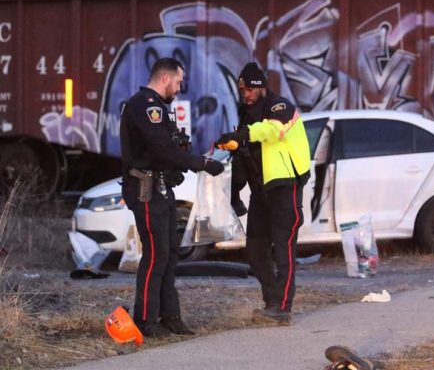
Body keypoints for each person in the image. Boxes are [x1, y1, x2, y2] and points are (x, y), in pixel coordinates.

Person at [120, 57, 224, 337]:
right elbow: (162, 150)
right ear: (165, 78)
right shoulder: (145, 106)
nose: (180, 87)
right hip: (146, 191)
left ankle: (170, 317)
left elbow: (167, 151)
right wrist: (200, 163)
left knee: (169, 254)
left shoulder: (159, 109)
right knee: (155, 256)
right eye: (178, 81)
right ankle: (146, 320)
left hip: (161, 189)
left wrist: (179, 163)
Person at [216, 62, 311, 325]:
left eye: (248, 88)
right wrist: (234, 193)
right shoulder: (246, 115)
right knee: (256, 251)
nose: (244, 94)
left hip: (285, 187)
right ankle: (272, 302)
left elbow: (272, 130)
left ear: (259, 86)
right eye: (241, 89)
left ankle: (283, 308)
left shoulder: (280, 106)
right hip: (261, 193)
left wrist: (243, 134)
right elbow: (243, 158)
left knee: (284, 250)